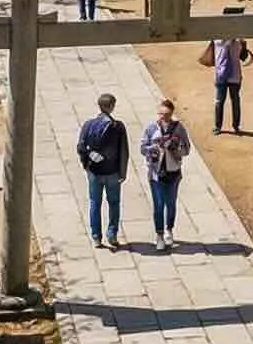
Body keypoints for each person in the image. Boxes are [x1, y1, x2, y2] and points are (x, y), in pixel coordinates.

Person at [76, 91, 129, 249]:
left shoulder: (88, 125)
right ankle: (112, 234)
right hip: (112, 172)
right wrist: (123, 171)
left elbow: (81, 147)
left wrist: (86, 165)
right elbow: (123, 151)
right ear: (111, 107)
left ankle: (96, 237)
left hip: (94, 172)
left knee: (94, 203)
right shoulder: (117, 127)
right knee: (114, 203)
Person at [140, 98, 192, 250]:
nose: (163, 117)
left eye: (167, 114)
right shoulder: (151, 128)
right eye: (161, 114)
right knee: (158, 205)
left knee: (171, 203)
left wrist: (175, 148)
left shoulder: (179, 128)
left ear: (172, 113)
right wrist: (154, 148)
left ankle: (169, 229)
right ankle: (159, 235)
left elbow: (187, 149)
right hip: (155, 173)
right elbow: (143, 148)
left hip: (173, 172)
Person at [209, 34, 252, 133]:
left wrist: (243, 45)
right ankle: (224, 126)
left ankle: (226, 126)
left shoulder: (222, 40)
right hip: (227, 76)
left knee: (227, 101)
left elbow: (243, 57)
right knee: (226, 101)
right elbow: (243, 57)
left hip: (226, 75)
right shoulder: (219, 40)